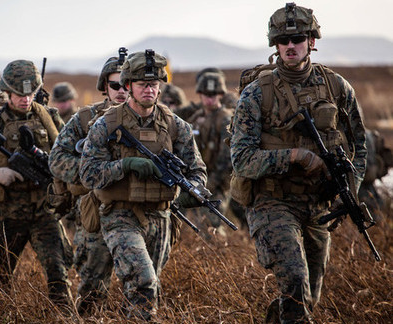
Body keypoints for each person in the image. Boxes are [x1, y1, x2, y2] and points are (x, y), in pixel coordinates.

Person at [230, 3, 367, 323]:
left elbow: (359, 144)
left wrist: (351, 187)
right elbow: (242, 159)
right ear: (275, 44)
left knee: (308, 296)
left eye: (298, 38)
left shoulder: (336, 87)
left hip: (317, 203)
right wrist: (295, 156)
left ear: (312, 41)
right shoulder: (256, 93)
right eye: (283, 40)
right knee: (294, 279)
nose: (290, 45)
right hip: (272, 200)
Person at [79, 50, 207, 320]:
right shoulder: (107, 125)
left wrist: (193, 189)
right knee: (143, 283)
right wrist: (125, 166)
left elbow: (197, 169)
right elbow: (88, 174)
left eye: (154, 84)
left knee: (148, 291)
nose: (149, 89)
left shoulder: (175, 126)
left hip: (160, 216)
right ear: (128, 86)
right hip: (120, 215)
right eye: (142, 84)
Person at [0, 60, 73, 310]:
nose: (25, 99)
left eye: (30, 94)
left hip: (44, 211)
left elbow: (67, 155)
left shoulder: (48, 118)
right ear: (6, 92)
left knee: (59, 277)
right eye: (19, 94)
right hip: (8, 214)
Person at [49, 51, 129, 315]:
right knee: (92, 294)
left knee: (142, 290)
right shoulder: (84, 119)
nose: (121, 90)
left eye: (127, 84)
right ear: (104, 86)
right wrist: (93, 173)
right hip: (96, 217)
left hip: (138, 215)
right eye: (115, 84)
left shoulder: (156, 120)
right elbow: (57, 159)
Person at [186, 71, 238, 232]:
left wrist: (210, 184)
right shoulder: (196, 118)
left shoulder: (226, 120)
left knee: (211, 226)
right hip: (197, 182)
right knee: (196, 227)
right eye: (206, 94)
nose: (210, 98)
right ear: (200, 94)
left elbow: (227, 159)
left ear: (220, 95)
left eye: (214, 94)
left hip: (217, 186)